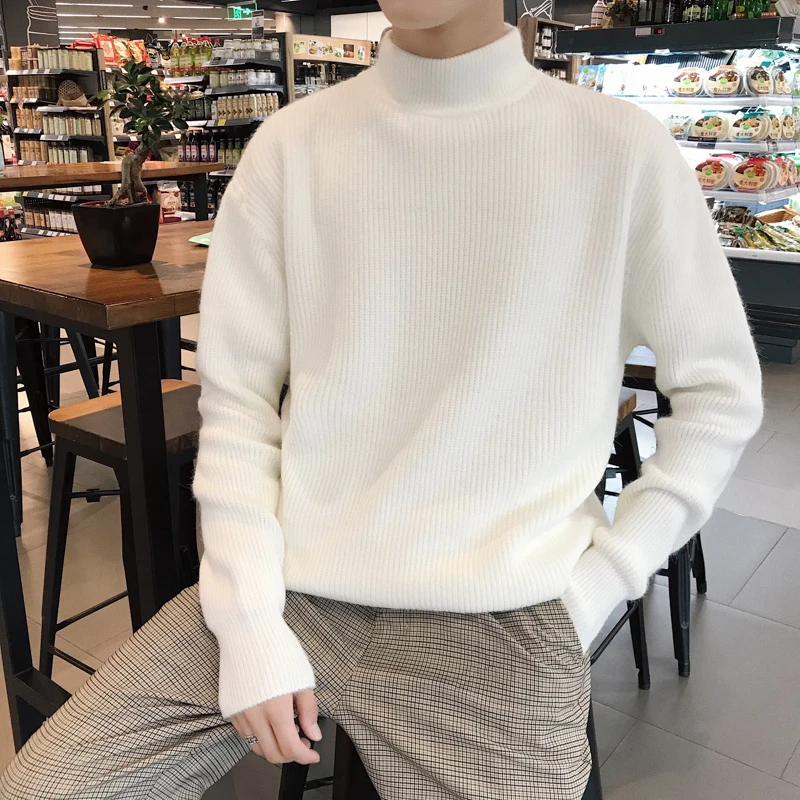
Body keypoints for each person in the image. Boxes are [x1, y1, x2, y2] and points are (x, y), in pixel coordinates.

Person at [1, 0, 763, 798]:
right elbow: (238, 409)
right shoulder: (291, 147)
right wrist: (250, 620)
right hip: (295, 584)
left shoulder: (619, 150)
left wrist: (603, 582)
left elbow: (719, 394)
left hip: (504, 615)